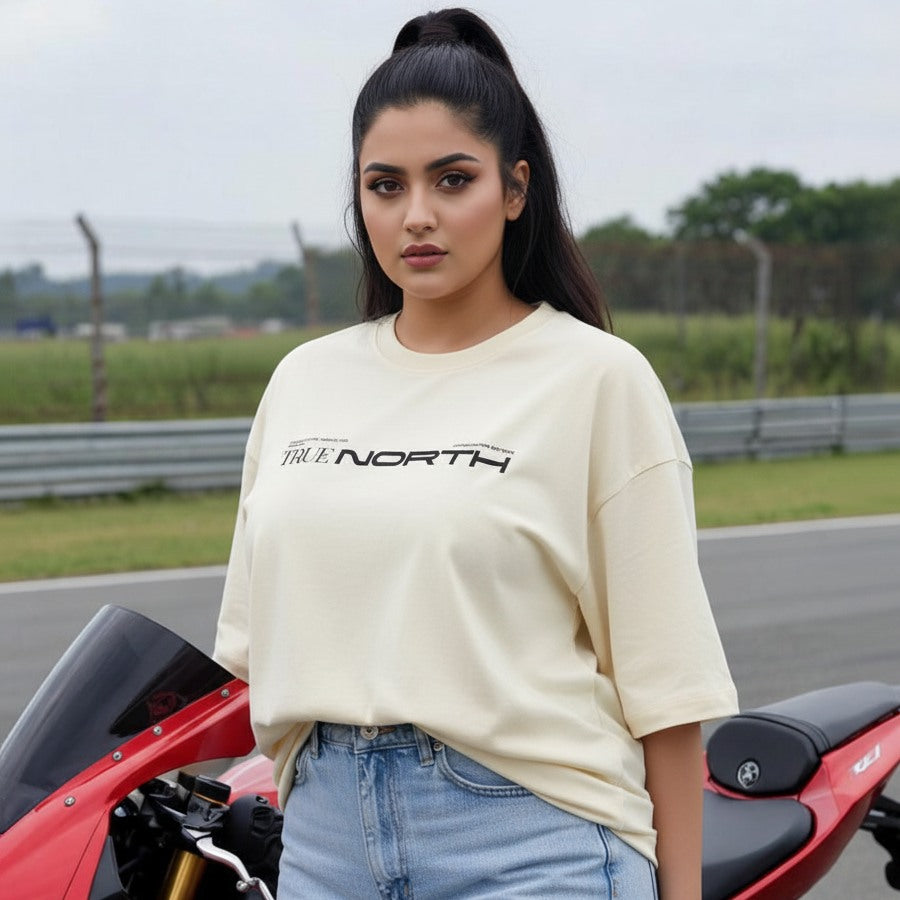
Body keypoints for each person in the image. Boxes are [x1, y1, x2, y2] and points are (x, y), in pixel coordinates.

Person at [214, 8, 738, 898]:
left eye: (451, 179)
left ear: (515, 187)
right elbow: (255, 656)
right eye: (385, 186)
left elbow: (668, 692)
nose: (417, 216)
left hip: (528, 840)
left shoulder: (595, 380)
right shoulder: (303, 382)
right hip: (323, 843)